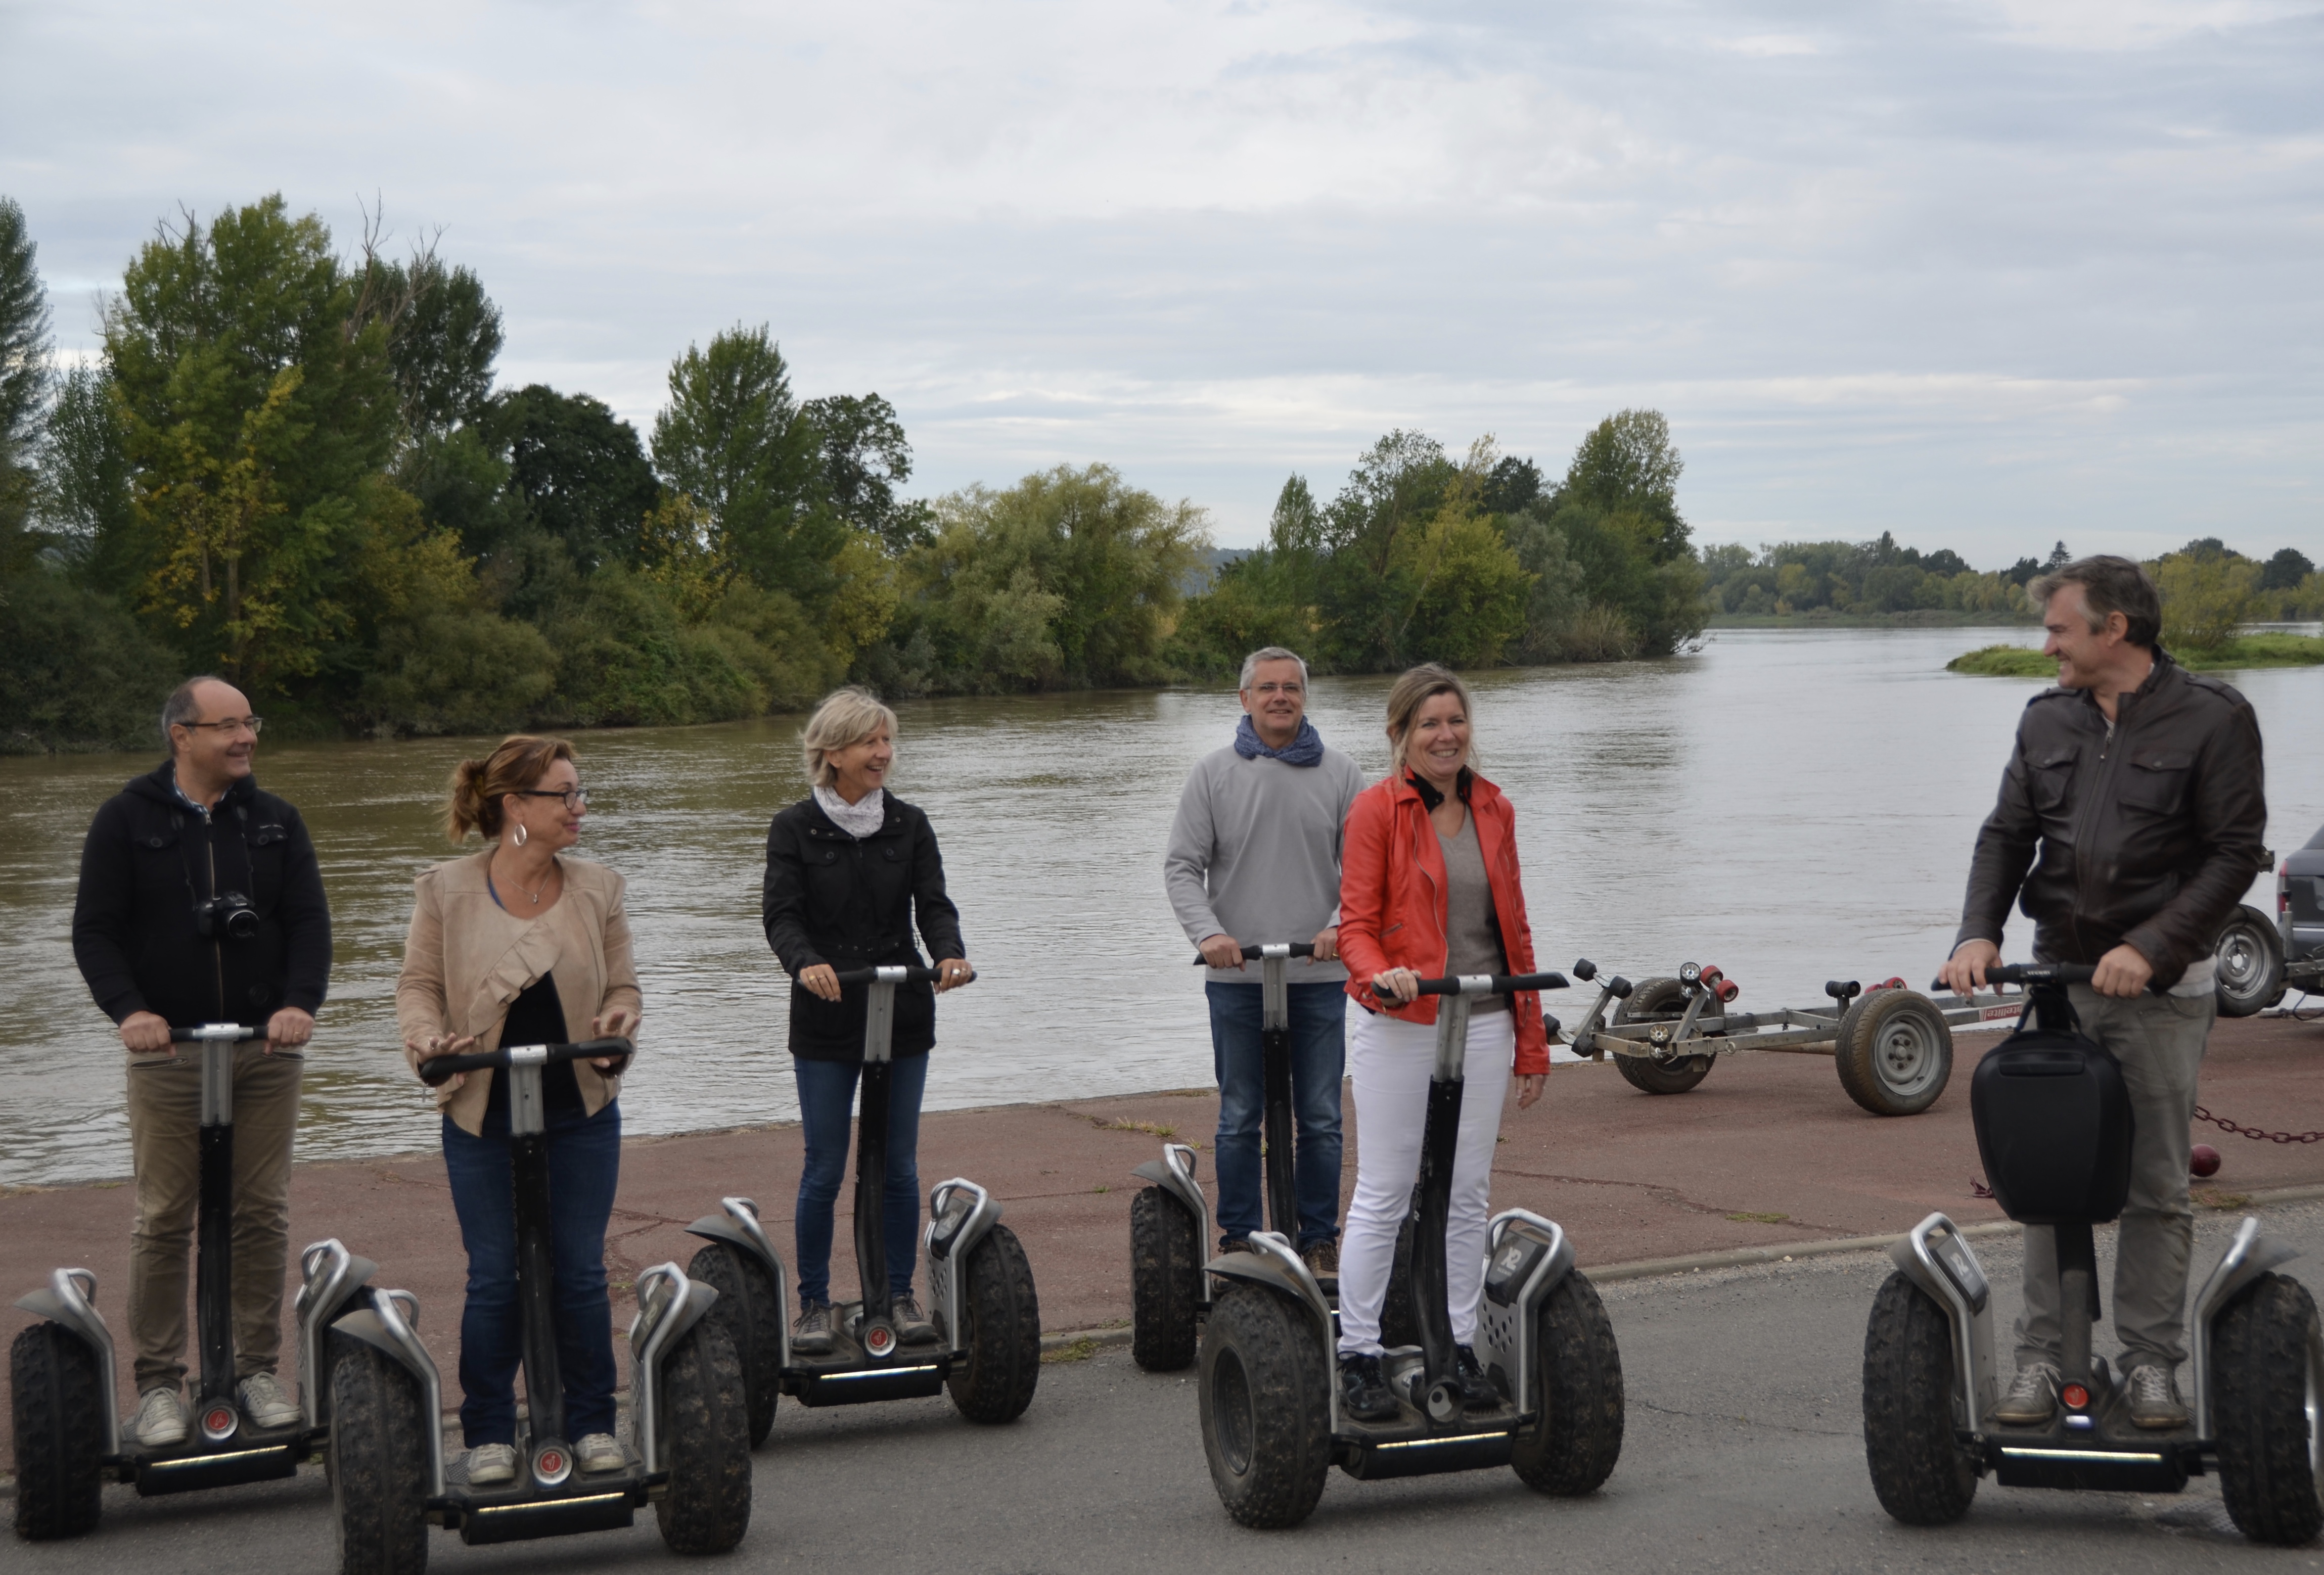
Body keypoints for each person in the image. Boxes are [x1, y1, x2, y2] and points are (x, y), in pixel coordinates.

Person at [1940, 555, 2266, 1430]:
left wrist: (2152, 945)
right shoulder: (2046, 717)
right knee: (2047, 1179)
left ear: (2112, 629)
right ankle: (2044, 1360)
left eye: (2058, 629)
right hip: (2060, 982)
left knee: (2154, 1185)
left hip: (2160, 991)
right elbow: (2005, 835)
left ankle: (2151, 1365)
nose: (2045, 644)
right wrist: (1978, 932)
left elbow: (2234, 853)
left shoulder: (2214, 718)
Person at [70, 675, 331, 1448]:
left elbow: (310, 923)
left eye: (251, 722)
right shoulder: (126, 819)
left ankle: (256, 1371)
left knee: (261, 1210)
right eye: (228, 726)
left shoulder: (276, 822)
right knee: (163, 1217)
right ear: (182, 736)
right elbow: (96, 932)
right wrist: (131, 1012)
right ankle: (158, 1385)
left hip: (264, 1048)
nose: (246, 738)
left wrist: (299, 1005)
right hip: (169, 1052)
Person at [396, 735, 640, 1486]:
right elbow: (417, 988)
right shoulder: (445, 889)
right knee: (494, 1275)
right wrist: (427, 1040)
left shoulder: (600, 886)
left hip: (580, 1107)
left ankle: (595, 1423)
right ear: (516, 809)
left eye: (579, 792)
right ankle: (491, 1433)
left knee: (580, 1274)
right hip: (481, 1107)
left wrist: (618, 1022)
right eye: (565, 795)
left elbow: (625, 989)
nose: (580, 807)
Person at [1334, 664, 1552, 1422]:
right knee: (1387, 1191)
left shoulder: (1494, 808)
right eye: (1428, 724)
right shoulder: (1375, 811)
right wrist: (1380, 975)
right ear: (1399, 735)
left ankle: (1457, 1346)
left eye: (1454, 721)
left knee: (1465, 1195)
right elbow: (1355, 926)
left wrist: (1531, 1041)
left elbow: (1514, 932)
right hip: (1403, 1019)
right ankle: (1357, 1351)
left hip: (1484, 1016)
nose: (1445, 735)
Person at [762, 687, 972, 1355]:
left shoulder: (909, 824)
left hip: (901, 1001)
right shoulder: (794, 828)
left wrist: (948, 953)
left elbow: (933, 905)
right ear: (832, 753)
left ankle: (899, 1294)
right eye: (869, 743)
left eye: (887, 742)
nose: (883, 754)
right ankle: (815, 1304)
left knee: (898, 1165)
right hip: (827, 1009)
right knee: (825, 1166)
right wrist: (803, 962)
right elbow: (782, 916)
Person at [1163, 645, 1365, 1275]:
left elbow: (1366, 868)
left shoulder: (1340, 773)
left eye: (1291, 688)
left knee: (1323, 1115)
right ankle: (1239, 1239)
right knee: (1240, 1113)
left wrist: (1341, 925)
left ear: (1305, 697)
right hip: (1238, 975)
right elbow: (1181, 867)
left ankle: (1318, 1238)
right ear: (1244, 698)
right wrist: (1207, 935)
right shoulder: (1213, 773)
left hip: (1319, 974)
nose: (1280, 697)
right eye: (1267, 687)